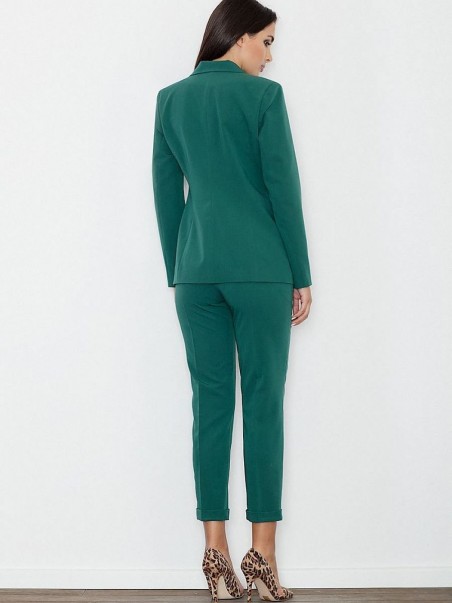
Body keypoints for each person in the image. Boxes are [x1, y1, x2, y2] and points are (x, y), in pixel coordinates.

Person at [152, 0, 312, 600]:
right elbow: (283, 189)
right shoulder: (263, 98)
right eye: (266, 42)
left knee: (210, 406)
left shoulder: (170, 99)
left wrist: (180, 267)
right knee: (263, 404)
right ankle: (262, 557)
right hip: (260, 270)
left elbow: (166, 195)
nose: (269, 56)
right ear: (239, 38)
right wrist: (301, 274)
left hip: (195, 275)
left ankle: (215, 554)